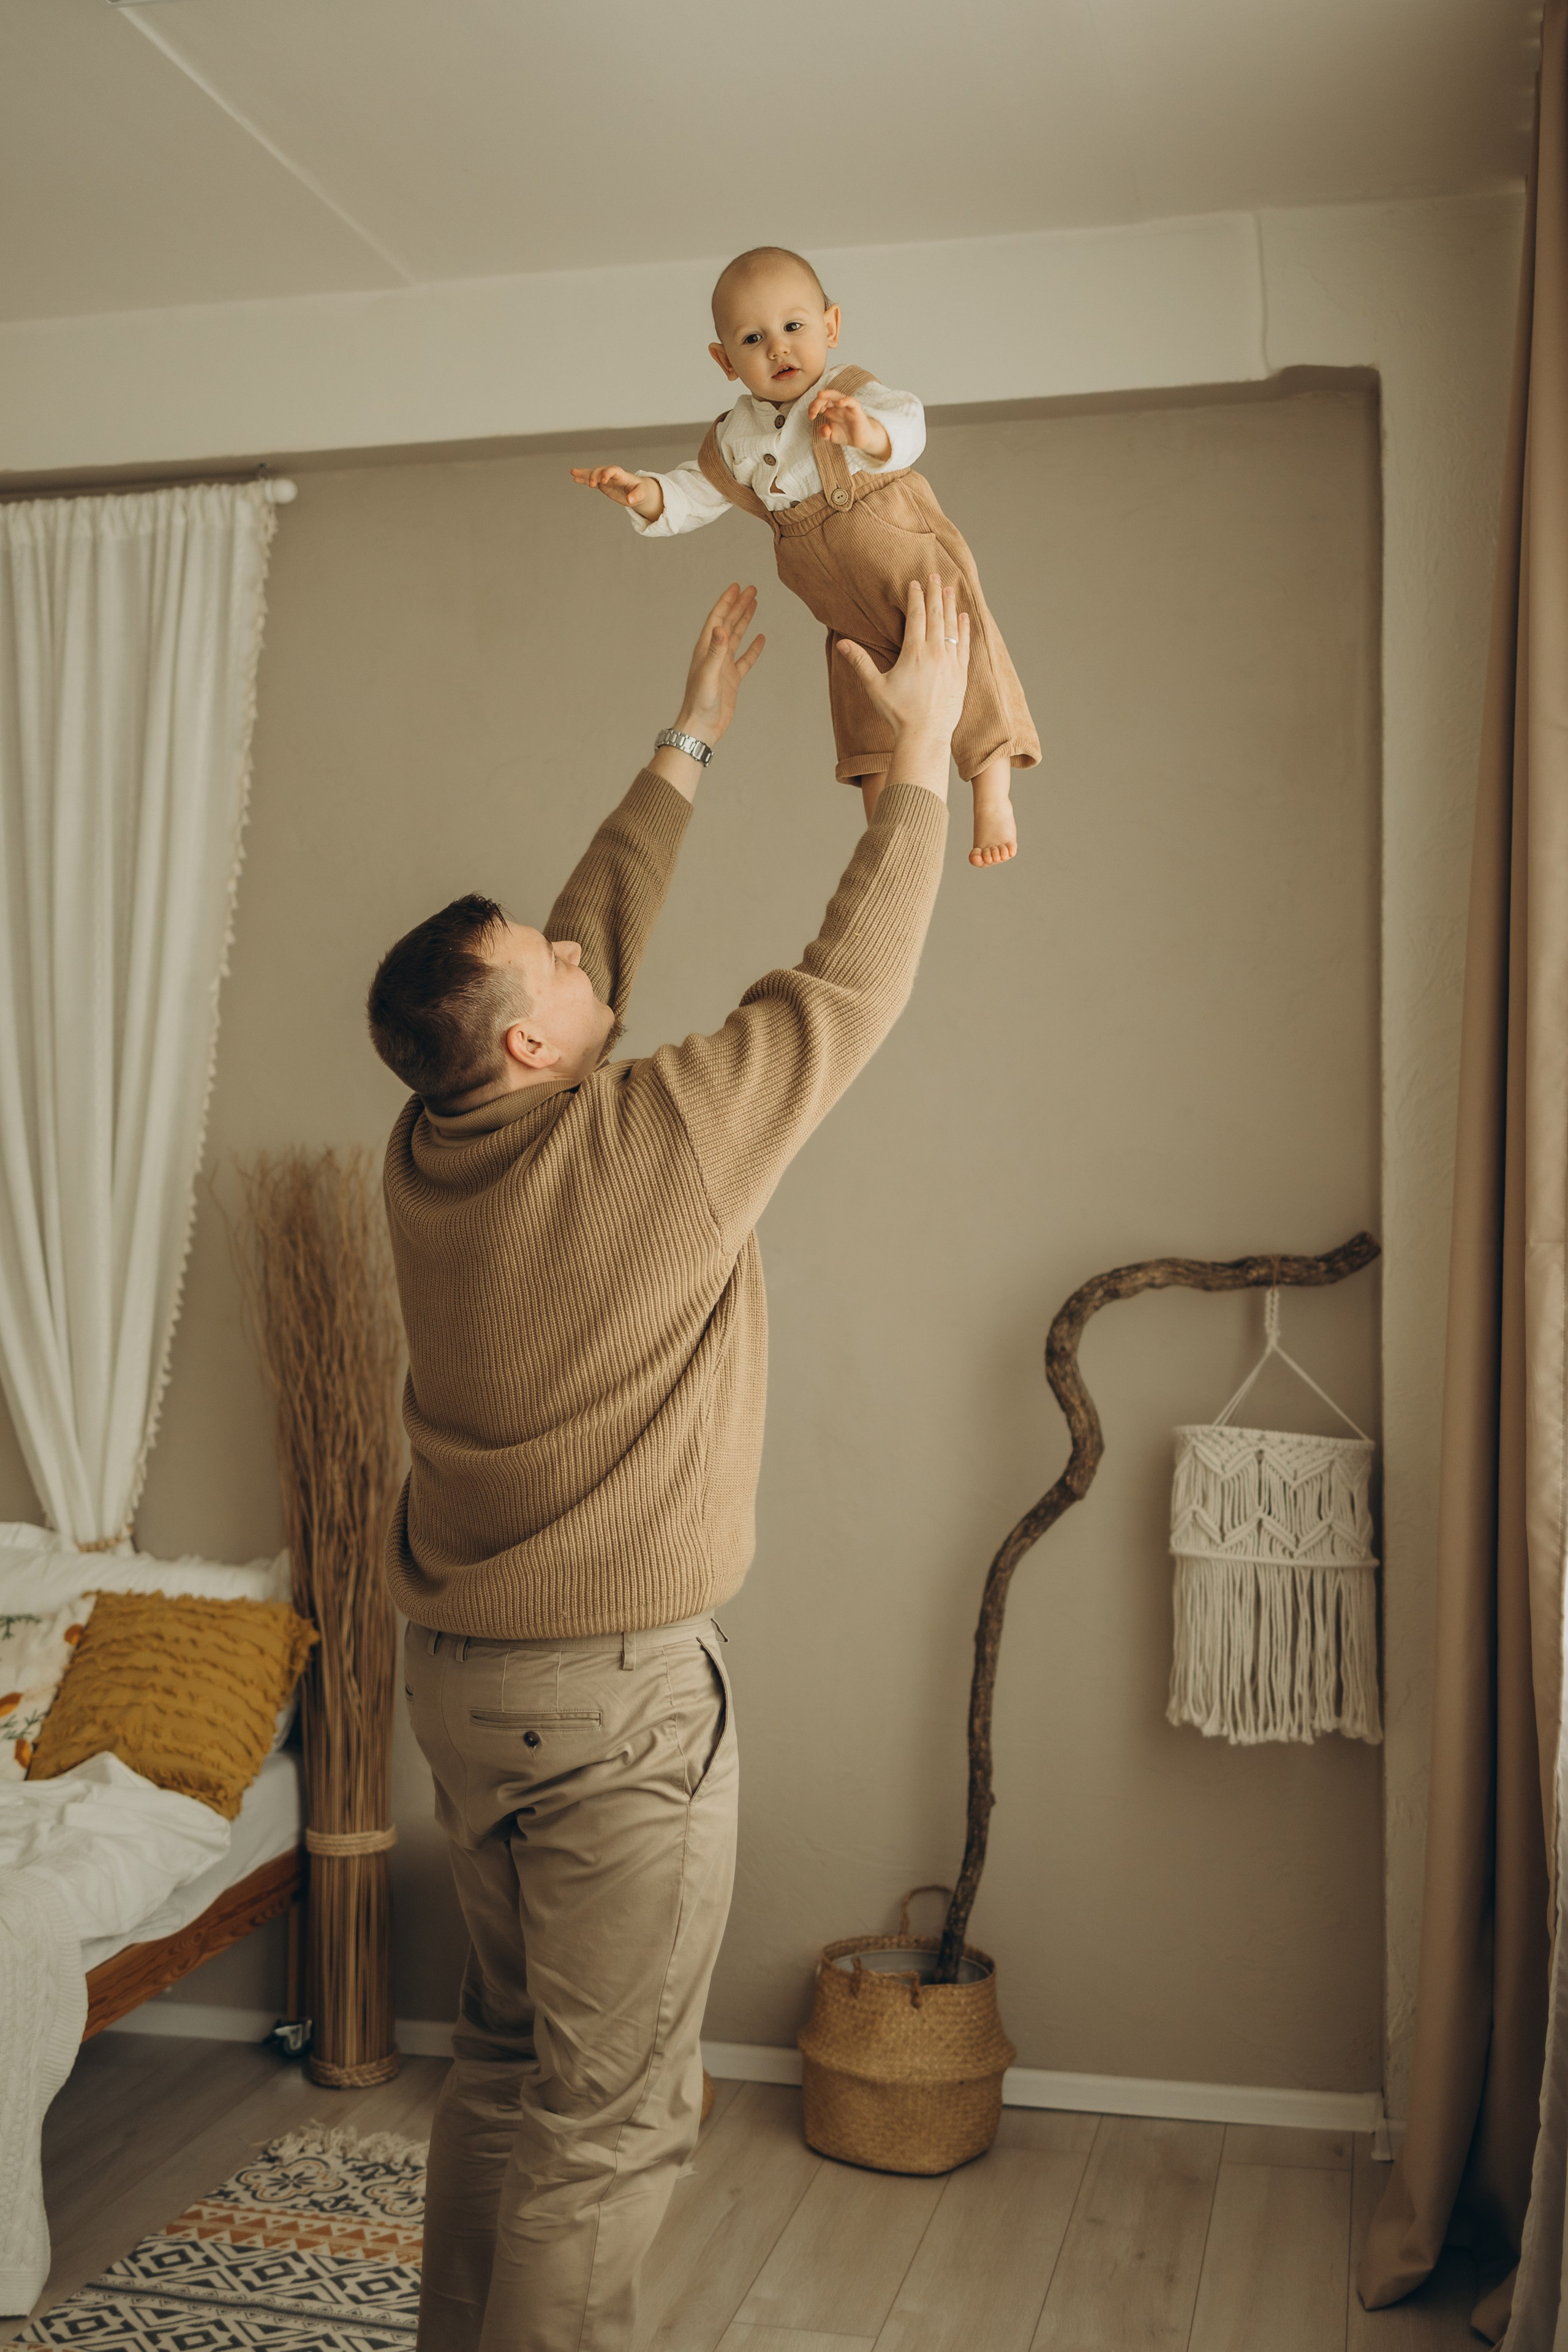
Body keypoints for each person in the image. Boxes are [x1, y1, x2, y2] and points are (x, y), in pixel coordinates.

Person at [366, 573, 968, 2352]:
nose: (576, 954)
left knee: (501, 2063)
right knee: (610, 2121)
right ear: (530, 1046)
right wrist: (919, 765)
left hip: (461, 1687)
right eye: (548, 964)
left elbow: (579, 963)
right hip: (610, 1714)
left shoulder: (430, 1145)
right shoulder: (655, 1146)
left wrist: (684, 742)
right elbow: (846, 988)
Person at [571, 243, 1039, 869]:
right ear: (725, 361)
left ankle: (992, 796)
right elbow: (696, 491)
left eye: (793, 327)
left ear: (831, 326)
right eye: (753, 339)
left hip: (909, 563)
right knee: (862, 709)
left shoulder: (850, 395)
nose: (778, 349)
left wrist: (865, 433)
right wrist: (646, 494)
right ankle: (888, 837)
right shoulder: (734, 437)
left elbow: (907, 426)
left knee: (969, 658)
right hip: (841, 604)